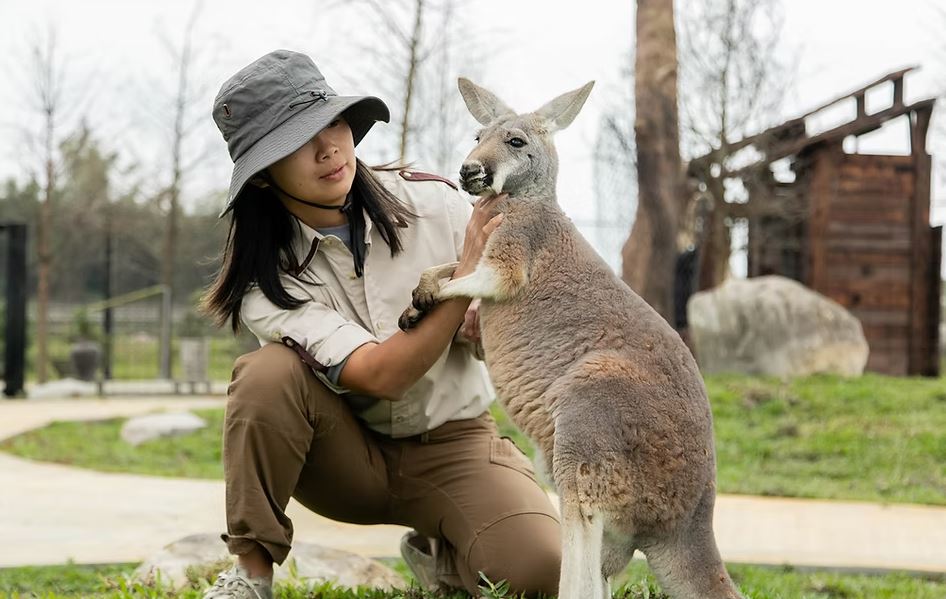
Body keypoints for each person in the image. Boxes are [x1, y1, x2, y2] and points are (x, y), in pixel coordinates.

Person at [200, 49, 561, 599]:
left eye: (333, 123)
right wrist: (460, 279)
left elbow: (525, 325)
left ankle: (444, 553)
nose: (327, 148)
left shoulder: (438, 205)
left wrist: (487, 325)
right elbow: (380, 375)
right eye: (296, 142)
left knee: (539, 574)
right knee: (265, 375)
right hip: (344, 455)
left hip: (455, 441)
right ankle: (250, 576)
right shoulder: (263, 279)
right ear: (264, 178)